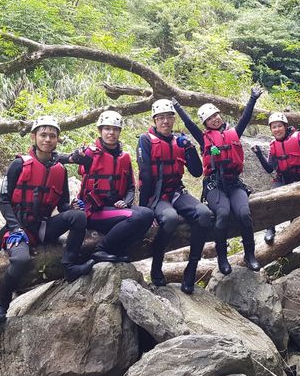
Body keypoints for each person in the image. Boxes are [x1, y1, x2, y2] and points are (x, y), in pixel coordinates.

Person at [0, 115, 94, 325]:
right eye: (43, 135)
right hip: (19, 228)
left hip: (43, 227)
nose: (47, 139)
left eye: (52, 136)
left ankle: (69, 266)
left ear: (57, 140)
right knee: (21, 260)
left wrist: (73, 207)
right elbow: (4, 200)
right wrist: (14, 227)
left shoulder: (60, 170)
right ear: (34, 137)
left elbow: (62, 205)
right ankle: (1, 305)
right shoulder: (18, 165)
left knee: (78, 216)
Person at [173, 87, 263, 275]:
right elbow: (189, 124)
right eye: (210, 118)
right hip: (214, 185)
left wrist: (253, 98)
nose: (215, 119)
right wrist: (177, 107)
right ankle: (222, 257)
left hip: (234, 183)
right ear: (205, 123)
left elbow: (245, 118)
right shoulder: (203, 138)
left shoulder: (233, 133)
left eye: (216, 115)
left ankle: (250, 254)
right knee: (222, 213)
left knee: (244, 213)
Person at [138, 99, 212, 294]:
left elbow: (196, 172)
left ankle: (191, 270)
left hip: (176, 191)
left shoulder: (179, 141)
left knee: (204, 214)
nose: (165, 121)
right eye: (160, 118)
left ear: (173, 119)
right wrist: (145, 210)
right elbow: (145, 175)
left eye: (169, 117)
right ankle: (156, 266)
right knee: (170, 218)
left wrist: (190, 148)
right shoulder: (145, 140)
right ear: (154, 120)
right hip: (156, 196)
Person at [66, 111, 154, 263]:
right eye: (107, 128)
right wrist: (75, 156)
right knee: (135, 217)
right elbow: (70, 158)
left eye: (115, 129)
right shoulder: (90, 154)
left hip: (116, 209)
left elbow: (131, 187)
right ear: (100, 131)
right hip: (93, 211)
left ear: (119, 131)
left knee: (148, 214)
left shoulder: (124, 157)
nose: (111, 133)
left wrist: (126, 202)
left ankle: (118, 249)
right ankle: (100, 250)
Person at [252, 112, 300, 243]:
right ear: (271, 130)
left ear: (285, 126)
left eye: (279, 126)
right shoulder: (273, 145)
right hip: (283, 179)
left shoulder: (298, 137)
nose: (277, 129)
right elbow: (270, 169)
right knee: (270, 198)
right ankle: (270, 229)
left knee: (295, 204)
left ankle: (293, 234)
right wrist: (259, 154)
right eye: (274, 127)